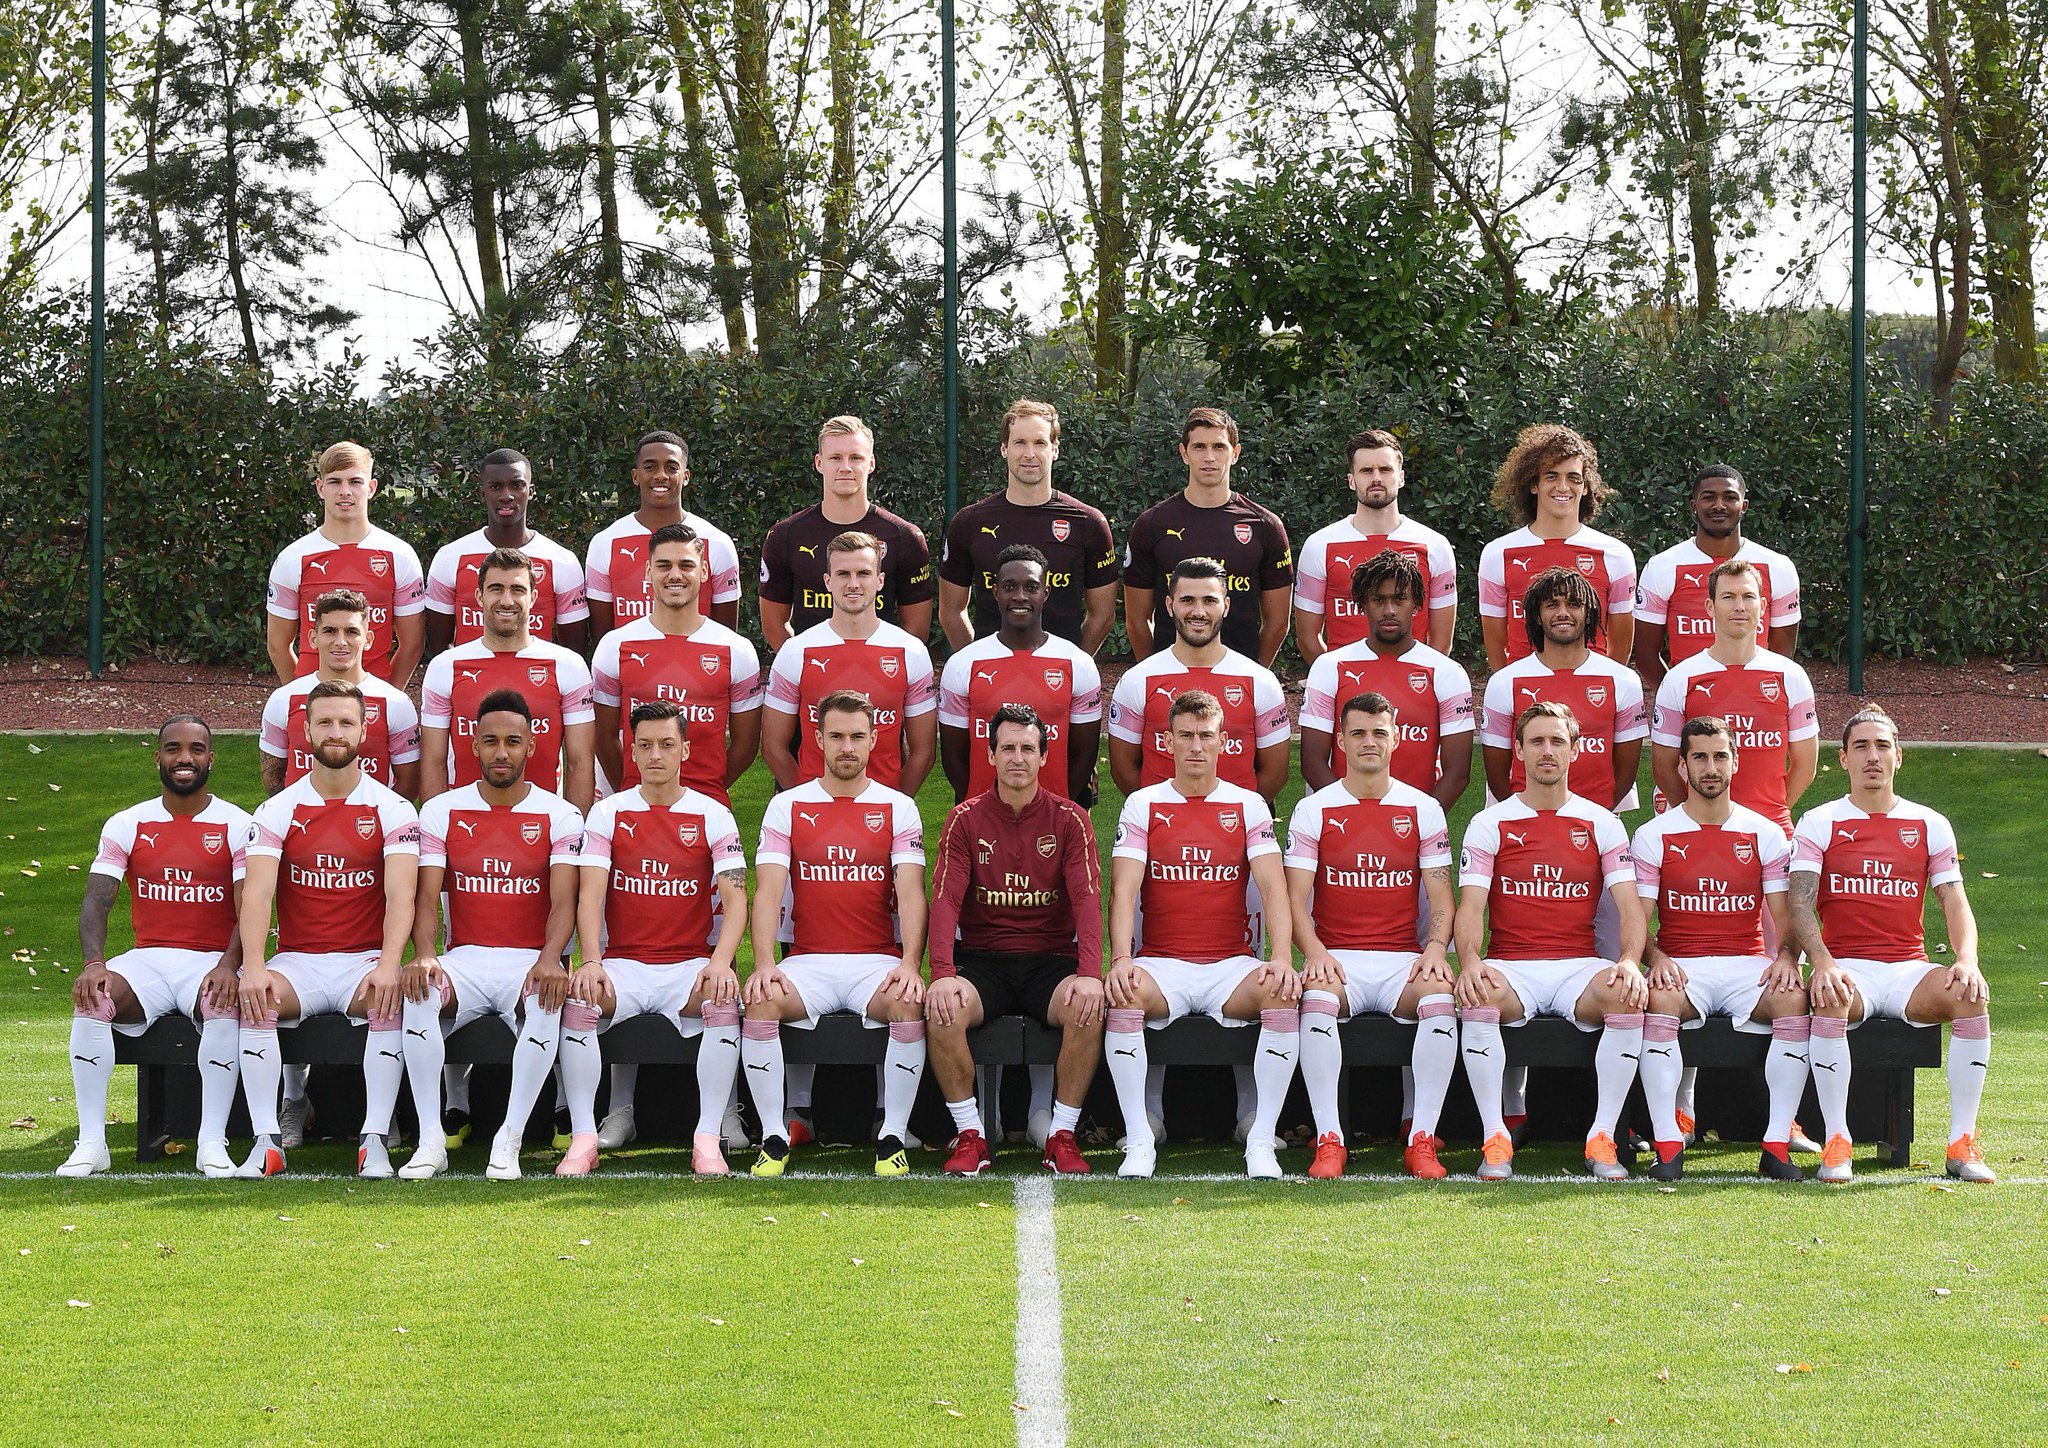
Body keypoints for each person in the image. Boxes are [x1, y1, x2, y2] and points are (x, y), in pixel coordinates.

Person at [1788, 706, 1995, 1184]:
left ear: (1898, 757)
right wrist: (1819, 962)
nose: (1872, 756)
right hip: (1847, 968)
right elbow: (1799, 905)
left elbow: (1954, 902)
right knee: (1830, 996)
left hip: (1907, 970)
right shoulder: (1820, 821)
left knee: (1972, 995)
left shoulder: (1930, 824)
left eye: (1882, 746)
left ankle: (1961, 1142)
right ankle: (1837, 1142)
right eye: (1860, 746)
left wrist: (1967, 959)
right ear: (1842, 759)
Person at [1104, 691, 1296, 1179]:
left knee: (1282, 995)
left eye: (1205, 736)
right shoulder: (1143, 804)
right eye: (1185, 736)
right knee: (1124, 997)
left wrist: (1281, 959)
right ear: (1166, 741)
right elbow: (1123, 891)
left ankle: (1261, 1140)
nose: (1195, 746)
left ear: (1223, 742)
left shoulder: (1248, 804)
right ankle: (1140, 1140)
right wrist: (1121, 959)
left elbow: (1275, 889)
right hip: (1162, 964)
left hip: (1230, 966)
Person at [233, 682, 421, 1179]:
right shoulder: (277, 809)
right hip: (298, 961)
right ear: (306, 730)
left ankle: (375, 1140)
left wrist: (387, 966)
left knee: (392, 997)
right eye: (325, 723)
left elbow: (403, 896)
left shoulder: (394, 809)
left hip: (363, 960)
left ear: (364, 730)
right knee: (251, 998)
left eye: (345, 723)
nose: (335, 733)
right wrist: (253, 967)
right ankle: (267, 1143)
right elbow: (256, 896)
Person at [1452, 702, 1647, 1181]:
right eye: (1536, 741)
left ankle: (1602, 1138)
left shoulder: (1602, 822)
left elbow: (1630, 907)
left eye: (1557, 741)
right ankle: (1495, 1136)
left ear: (1575, 751)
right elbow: (1471, 907)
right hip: (1512, 967)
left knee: (1627, 996)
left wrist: (1628, 960)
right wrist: (1471, 961)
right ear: (1517, 751)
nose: (1547, 751)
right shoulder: (1490, 822)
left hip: (1577, 967)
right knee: (1478, 996)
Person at [559, 701, 751, 1177]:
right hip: (623, 964)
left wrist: (722, 962)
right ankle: (584, 1138)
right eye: (644, 745)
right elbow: (590, 897)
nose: (655, 755)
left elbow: (738, 899)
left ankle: (708, 1136)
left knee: (724, 998)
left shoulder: (713, 814)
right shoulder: (607, 813)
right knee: (580, 1001)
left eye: (667, 745)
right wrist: (590, 960)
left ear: (685, 749)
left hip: (688, 965)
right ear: (631, 751)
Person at [743, 692, 929, 1178]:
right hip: (809, 962)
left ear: (873, 741)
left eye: (857, 737)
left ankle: (892, 1135)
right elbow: (767, 892)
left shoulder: (899, 807)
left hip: (876, 962)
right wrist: (765, 965)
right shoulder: (787, 806)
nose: (847, 747)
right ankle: (773, 1136)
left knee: (909, 1003)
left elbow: (911, 894)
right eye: (837, 736)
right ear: (819, 739)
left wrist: (910, 965)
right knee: (761, 1002)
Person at [60, 717, 253, 1178]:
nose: (184, 758)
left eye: (196, 749)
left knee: (222, 1003)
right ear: (158, 758)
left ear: (211, 758)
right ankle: (91, 1144)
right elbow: (96, 899)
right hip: (148, 959)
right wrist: (94, 963)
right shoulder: (128, 822)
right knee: (94, 999)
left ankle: (211, 1143)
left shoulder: (238, 823)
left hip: (211, 961)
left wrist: (230, 964)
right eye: (173, 749)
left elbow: (253, 908)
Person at [408, 690, 584, 1180]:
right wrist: (424, 954)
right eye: (490, 741)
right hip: (463, 960)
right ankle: (428, 1142)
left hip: (528, 959)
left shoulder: (560, 814)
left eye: (512, 741)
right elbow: (425, 899)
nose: (501, 752)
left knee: (549, 1000)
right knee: (419, 994)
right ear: (473, 746)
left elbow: (565, 900)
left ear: (532, 746)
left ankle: (507, 1142)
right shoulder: (441, 811)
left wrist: (552, 958)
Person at [925, 704, 1106, 1176]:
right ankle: (971, 1136)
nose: (1018, 758)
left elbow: (1088, 901)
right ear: (990, 755)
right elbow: (943, 900)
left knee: (1088, 1005)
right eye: (1008, 748)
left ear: (1045, 757)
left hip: (1050, 960)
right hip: (985, 962)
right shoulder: (964, 820)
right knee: (942, 1009)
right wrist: (942, 974)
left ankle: (1061, 1135)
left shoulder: (1070, 820)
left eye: (1028, 748)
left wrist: (1089, 974)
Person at [1286, 693, 1455, 1181]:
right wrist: (1314, 953)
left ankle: (1422, 1138)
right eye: (1358, 733)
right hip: (1337, 958)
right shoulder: (1313, 810)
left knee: (1440, 995)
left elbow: (1442, 901)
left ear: (1396, 738)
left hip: (1403, 960)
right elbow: (1295, 901)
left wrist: (1436, 949)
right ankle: (1329, 1140)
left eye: (1379, 732)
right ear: (1339, 740)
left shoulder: (1422, 809)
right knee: (1315, 996)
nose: (1368, 742)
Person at [1632, 717, 1807, 1181]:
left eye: (1720, 756)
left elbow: (1786, 918)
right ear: (1683, 767)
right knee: (1658, 1000)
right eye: (1700, 757)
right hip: (1682, 966)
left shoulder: (1765, 833)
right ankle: (1668, 1143)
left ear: (1735, 761)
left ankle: (1775, 1145)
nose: (1711, 767)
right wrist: (1657, 958)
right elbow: (1638, 920)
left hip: (1747, 965)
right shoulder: (1655, 834)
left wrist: (1786, 957)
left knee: (1793, 999)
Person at [592, 521, 763, 806]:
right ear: (648, 572)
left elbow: (746, 747)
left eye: (686, 565)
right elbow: (603, 737)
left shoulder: (737, 650)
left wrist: (707, 790)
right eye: (663, 565)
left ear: (704, 572)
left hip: (708, 809)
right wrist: (633, 789)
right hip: (635, 806)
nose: (675, 575)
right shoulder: (614, 646)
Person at [419, 549, 596, 811]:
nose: (506, 600)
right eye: (496, 589)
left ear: (533, 597)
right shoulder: (445, 667)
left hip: (543, 823)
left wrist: (573, 834)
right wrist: (437, 829)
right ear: (479, 596)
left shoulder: (568, 666)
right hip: (467, 819)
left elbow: (580, 762)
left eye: (517, 590)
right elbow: (433, 761)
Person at [1650, 560, 1817, 837]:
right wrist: (1698, 814)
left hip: (1772, 831)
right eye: (1728, 597)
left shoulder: (1791, 676)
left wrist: (1766, 818)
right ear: (1710, 608)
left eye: (1748, 597)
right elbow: (1663, 766)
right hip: (1700, 831)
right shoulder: (1681, 678)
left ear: (1763, 607)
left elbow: (1805, 764)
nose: (1739, 606)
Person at [762, 531, 937, 794]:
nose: (853, 583)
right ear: (828, 581)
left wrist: (898, 803)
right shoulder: (796, 651)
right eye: (843, 574)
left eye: (863, 573)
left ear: (879, 581)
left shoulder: (910, 651)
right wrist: (803, 798)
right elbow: (773, 747)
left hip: (883, 813)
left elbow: (924, 751)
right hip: (813, 812)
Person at [937, 398, 1119, 653]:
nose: (1029, 454)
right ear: (1004, 448)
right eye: (1020, 442)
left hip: (1060, 679)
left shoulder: (1088, 523)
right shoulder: (970, 522)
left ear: (1055, 449)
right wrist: (973, 663)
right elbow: (951, 611)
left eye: (1040, 443)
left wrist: (1075, 666)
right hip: (991, 678)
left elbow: (1103, 615)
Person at [1298, 549, 1473, 810]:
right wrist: (1352, 813)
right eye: (1378, 600)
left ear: (1416, 604)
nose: (1389, 610)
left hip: (1415, 825)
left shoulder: (1448, 673)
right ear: (1363, 604)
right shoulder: (1330, 666)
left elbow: (1457, 774)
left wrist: (1424, 822)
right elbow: (1312, 762)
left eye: (1399, 599)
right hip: (1345, 820)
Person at [1107, 557, 1289, 804]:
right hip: (1161, 826)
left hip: (1237, 829)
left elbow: (1275, 773)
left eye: (1209, 601)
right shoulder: (1137, 680)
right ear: (1170, 605)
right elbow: (1123, 771)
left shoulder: (1260, 681)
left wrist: (1242, 814)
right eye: (1187, 600)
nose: (1198, 612)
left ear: (1225, 606)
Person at [1122, 407, 1293, 666]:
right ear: (1184, 453)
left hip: (1239, 677)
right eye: (1199, 447)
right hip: (1171, 675)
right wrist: (1153, 671)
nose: (1209, 457)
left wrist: (1256, 673)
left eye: (1219, 447)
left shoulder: (1265, 525)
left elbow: (1278, 622)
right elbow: (1137, 621)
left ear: (1235, 453)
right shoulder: (1152, 524)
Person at [938, 545, 1102, 803]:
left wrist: (1056, 806)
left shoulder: (1077, 663)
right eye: (1010, 587)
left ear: (1045, 593)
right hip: (983, 819)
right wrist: (985, 807)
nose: (1020, 596)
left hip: (1052, 820)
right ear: (996, 592)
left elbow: (1084, 756)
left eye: (1031, 587)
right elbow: (953, 758)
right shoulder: (963, 663)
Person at [1480, 567, 1646, 812]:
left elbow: (1626, 771)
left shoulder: (1623, 680)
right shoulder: (1505, 681)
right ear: (1537, 615)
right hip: (1524, 822)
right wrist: (1526, 816)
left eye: (1574, 604)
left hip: (1598, 820)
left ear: (1589, 614)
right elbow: (1497, 774)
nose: (1563, 613)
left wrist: (1598, 815)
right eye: (1552, 605)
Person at [759, 415, 935, 645]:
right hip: (812, 675)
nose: (845, 467)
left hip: (881, 673)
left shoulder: (905, 537)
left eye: (855, 458)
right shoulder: (786, 535)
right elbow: (774, 625)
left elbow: (915, 630)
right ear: (819, 462)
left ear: (871, 463)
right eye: (835, 458)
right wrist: (801, 664)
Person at [265, 440, 426, 685]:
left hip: (375, 700)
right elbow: (277, 644)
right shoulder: (293, 557)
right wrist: (300, 694)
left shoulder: (399, 555)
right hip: (313, 700)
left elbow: (412, 644)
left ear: (371, 487)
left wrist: (389, 696)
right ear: (320, 487)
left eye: (355, 481)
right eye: (334, 481)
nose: (345, 491)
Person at [1476, 424, 1636, 670]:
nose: (1563, 487)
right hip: (1526, 694)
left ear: (1585, 488)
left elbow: (1621, 644)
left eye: (1573, 478)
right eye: (1552, 476)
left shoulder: (1615, 555)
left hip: (1593, 693)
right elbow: (1497, 646)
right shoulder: (1498, 554)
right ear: (1533, 484)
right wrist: (1507, 686)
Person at [1632, 464, 1800, 696]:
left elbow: (1782, 654)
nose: (1719, 505)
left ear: (1744, 506)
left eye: (1730, 497)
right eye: (1709, 497)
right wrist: (1676, 699)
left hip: (1756, 702)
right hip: (1691, 707)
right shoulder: (1662, 566)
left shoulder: (1778, 567)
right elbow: (1645, 656)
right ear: (1694, 506)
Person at [1293, 429, 1457, 662]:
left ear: (1401, 477)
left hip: (1413, 686)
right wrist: (1336, 679)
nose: (1376, 478)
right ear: (1351, 480)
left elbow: (1441, 643)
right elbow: (1308, 639)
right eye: (1366, 470)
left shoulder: (1434, 546)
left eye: (1386, 469)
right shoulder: (1320, 545)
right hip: (1347, 686)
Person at [424, 447, 590, 655]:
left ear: (531, 491)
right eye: (495, 486)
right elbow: (440, 648)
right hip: (472, 682)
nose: (506, 496)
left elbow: (573, 652)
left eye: (517, 485)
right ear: (482, 493)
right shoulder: (449, 557)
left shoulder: (562, 560)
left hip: (536, 681)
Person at [260, 589, 421, 799]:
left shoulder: (395, 702)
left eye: (351, 632)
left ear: (368, 639)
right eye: (330, 631)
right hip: (303, 825)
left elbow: (409, 782)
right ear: (313, 638)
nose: (341, 641)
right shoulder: (283, 700)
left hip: (368, 827)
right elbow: (272, 777)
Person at [584, 430, 742, 635]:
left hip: (696, 666)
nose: (660, 475)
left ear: (685, 477)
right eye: (650, 467)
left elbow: (726, 637)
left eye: (671, 467)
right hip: (629, 665)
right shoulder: (605, 543)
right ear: (636, 476)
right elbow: (603, 639)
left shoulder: (717, 543)